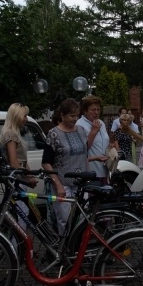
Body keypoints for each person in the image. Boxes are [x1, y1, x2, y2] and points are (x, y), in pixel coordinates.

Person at [46, 98, 91, 234]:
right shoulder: (53, 134)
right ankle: (64, 249)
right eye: (72, 116)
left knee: (83, 218)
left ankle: (79, 250)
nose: (75, 119)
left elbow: (85, 156)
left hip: (81, 183)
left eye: (77, 115)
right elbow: (46, 162)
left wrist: (88, 176)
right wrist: (58, 184)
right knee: (65, 220)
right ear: (62, 115)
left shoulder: (82, 130)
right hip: (63, 183)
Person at [0, 103, 38, 188]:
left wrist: (30, 175)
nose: (26, 119)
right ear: (17, 117)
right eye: (24, 116)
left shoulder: (12, 133)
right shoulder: (11, 134)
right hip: (18, 178)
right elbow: (14, 162)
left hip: (19, 176)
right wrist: (28, 177)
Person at [76, 96, 110, 182]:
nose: (96, 112)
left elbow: (104, 142)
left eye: (98, 109)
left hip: (105, 169)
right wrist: (93, 131)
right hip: (91, 170)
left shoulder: (101, 122)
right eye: (93, 110)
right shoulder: (79, 125)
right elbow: (83, 148)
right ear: (85, 111)